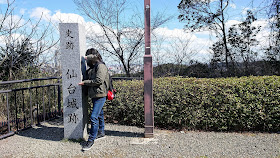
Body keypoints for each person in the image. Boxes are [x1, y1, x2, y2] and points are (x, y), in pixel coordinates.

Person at [78, 48, 109, 151]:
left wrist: (85, 82)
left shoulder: (101, 66)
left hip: (100, 95)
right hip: (95, 95)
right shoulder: (93, 67)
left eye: (88, 58)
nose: (87, 60)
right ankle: (101, 132)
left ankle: (91, 140)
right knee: (99, 114)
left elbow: (99, 80)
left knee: (93, 117)